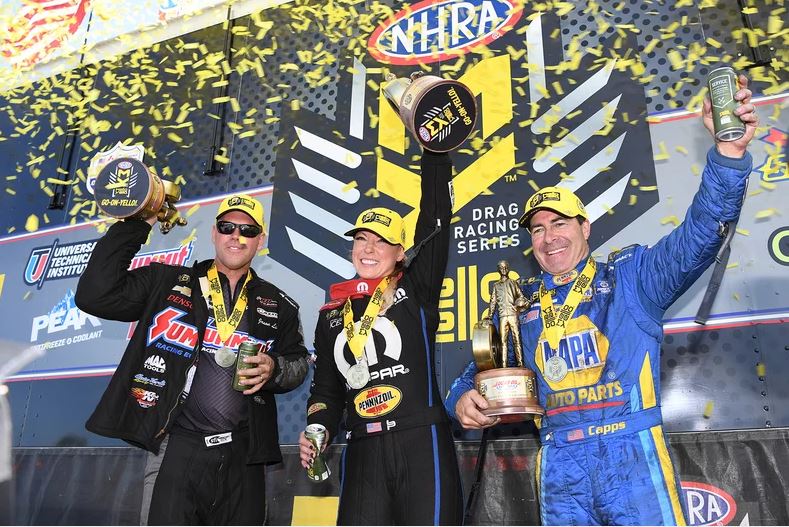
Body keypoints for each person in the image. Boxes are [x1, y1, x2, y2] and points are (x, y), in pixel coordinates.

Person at [445, 76, 758, 525]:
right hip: (559, 461)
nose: (549, 237)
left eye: (560, 224)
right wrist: (462, 399)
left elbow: (700, 235)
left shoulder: (631, 279)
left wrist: (728, 157)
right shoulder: (518, 303)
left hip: (631, 454)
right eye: (537, 229)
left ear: (585, 227)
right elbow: (480, 372)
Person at [75, 194, 309, 525]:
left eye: (248, 230)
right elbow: (95, 294)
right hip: (177, 447)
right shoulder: (167, 282)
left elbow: (299, 364)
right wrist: (138, 223)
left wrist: (275, 369)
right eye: (228, 227)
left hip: (245, 456)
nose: (236, 236)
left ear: (261, 240)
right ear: (214, 233)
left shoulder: (280, 304)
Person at [298, 150, 463, 525]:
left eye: (381, 241)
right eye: (361, 239)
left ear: (400, 253)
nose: (369, 249)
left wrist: (434, 151)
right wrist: (317, 429)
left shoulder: (416, 290)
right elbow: (325, 391)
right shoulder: (330, 316)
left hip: (420, 443)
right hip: (362, 448)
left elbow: (436, 220)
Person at [487, 259, 528, 367]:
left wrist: (519, 304)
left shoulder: (513, 283)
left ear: (508, 268)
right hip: (502, 317)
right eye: (501, 268)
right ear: (498, 270)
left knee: (517, 340)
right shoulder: (496, 286)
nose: (504, 269)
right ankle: (504, 366)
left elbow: (521, 297)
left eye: (505, 267)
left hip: (513, 315)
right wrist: (490, 316)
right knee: (502, 342)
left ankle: (520, 364)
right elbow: (493, 302)